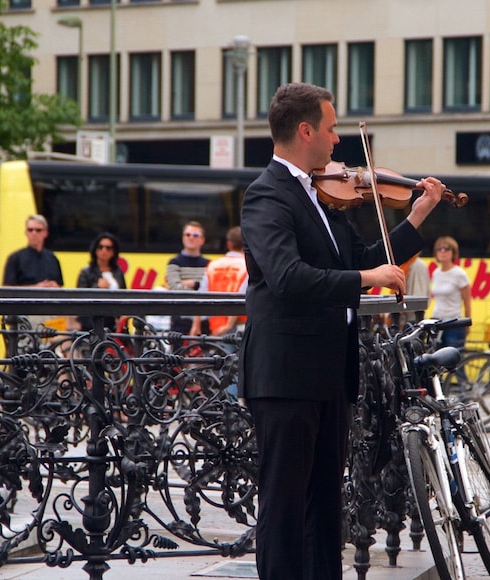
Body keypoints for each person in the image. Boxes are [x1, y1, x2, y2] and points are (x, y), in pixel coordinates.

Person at [239, 82, 444, 580]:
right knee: (285, 511)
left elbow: (366, 259)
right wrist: (364, 281)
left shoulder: (322, 196)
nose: (338, 142)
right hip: (285, 378)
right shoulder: (266, 196)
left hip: (329, 375)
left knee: (326, 509)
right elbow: (287, 278)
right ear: (305, 130)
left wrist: (416, 217)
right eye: (331, 129)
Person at [190, 226, 248, 337]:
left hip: (216, 328)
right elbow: (241, 294)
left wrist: (196, 325)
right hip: (240, 326)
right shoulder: (247, 266)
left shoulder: (213, 265)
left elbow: (201, 296)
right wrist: (228, 326)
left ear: (229, 244)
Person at [75, 232, 127, 331]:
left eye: (108, 248)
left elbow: (124, 294)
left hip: (114, 321)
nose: (104, 250)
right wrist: (97, 287)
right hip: (92, 320)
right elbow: (80, 297)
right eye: (100, 247)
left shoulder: (118, 272)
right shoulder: (86, 272)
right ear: (95, 250)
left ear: (113, 252)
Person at [165, 220, 210, 334]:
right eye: (187, 235)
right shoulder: (174, 262)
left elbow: (210, 290)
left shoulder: (209, 264)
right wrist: (199, 286)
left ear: (202, 240)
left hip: (203, 321)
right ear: (183, 238)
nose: (191, 238)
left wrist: (194, 284)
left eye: (195, 235)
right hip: (180, 319)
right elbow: (175, 289)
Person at [429, 235, 472, 348]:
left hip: (454, 324)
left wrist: (467, 326)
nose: (443, 251)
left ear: (453, 252)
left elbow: (467, 303)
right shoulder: (436, 273)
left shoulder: (460, 274)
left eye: (447, 248)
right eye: (439, 248)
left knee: (453, 361)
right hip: (437, 321)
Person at [2, 215, 63, 288]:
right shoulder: (15, 259)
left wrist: (55, 287)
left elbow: (60, 287)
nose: (34, 233)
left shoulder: (53, 259)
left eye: (38, 230)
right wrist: (35, 288)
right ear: (26, 233)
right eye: (30, 230)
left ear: (45, 233)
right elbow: (8, 290)